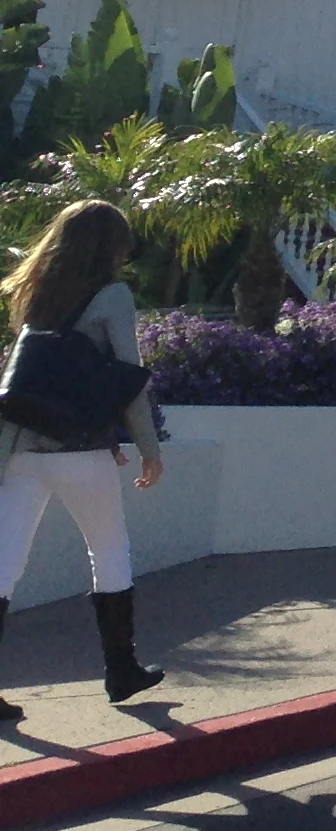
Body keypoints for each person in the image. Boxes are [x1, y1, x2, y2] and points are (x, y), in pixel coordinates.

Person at [0, 200, 168, 713]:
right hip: (78, 452)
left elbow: (38, 377)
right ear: (110, 247)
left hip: (22, 447)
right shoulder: (113, 295)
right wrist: (149, 449)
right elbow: (128, 379)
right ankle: (121, 671)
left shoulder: (39, 293)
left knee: (4, 562)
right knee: (109, 549)